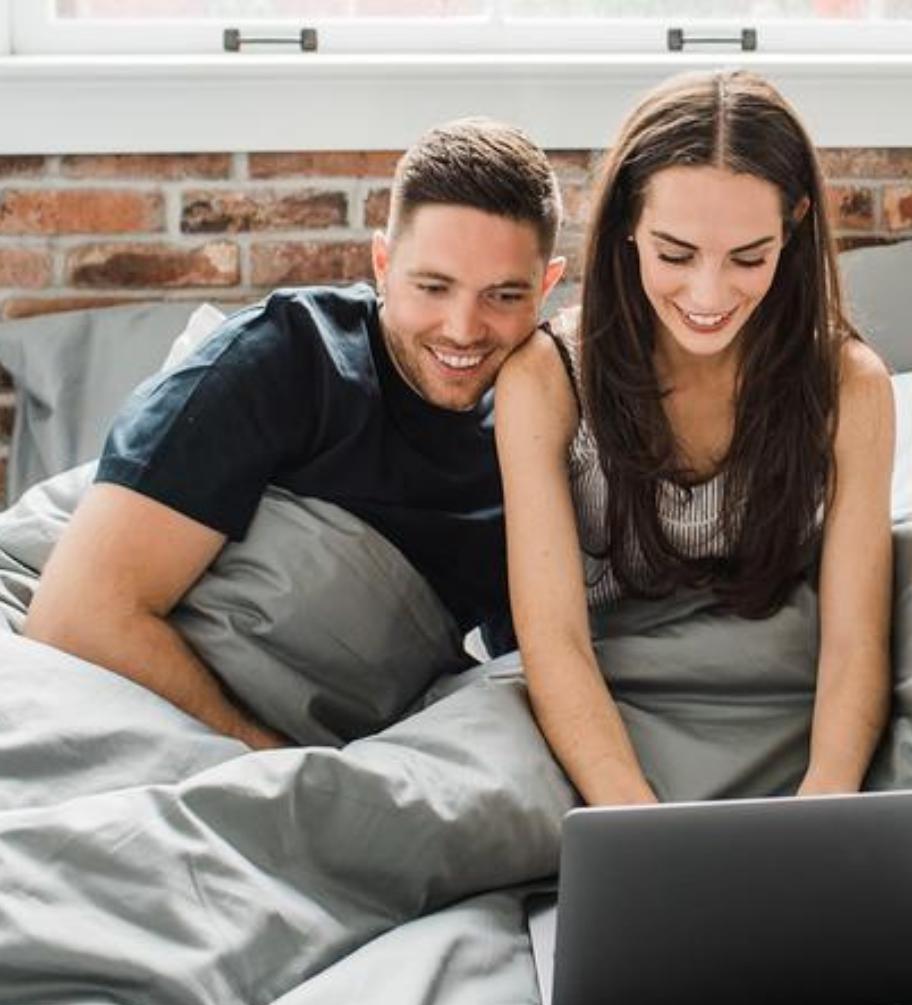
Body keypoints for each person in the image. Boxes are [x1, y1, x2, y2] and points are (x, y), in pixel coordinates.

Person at [24, 118, 565, 750]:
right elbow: (77, 614)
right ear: (382, 262)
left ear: (547, 286)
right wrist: (266, 756)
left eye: (503, 296)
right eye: (433, 286)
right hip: (107, 649)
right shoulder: (285, 357)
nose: (464, 329)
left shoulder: (529, 438)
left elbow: (539, 664)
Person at [495, 71, 895, 807]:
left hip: (775, 700)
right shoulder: (545, 380)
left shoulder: (851, 386)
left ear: (796, 224)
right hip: (602, 708)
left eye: (750, 258)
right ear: (626, 226)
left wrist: (827, 800)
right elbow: (553, 643)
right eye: (675, 254)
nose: (709, 296)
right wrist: (634, 820)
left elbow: (853, 647)